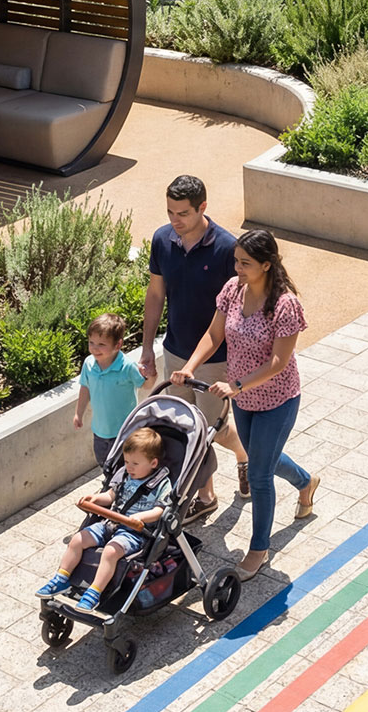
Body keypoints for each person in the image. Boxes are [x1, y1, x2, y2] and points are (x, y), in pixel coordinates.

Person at [173, 229, 318, 578]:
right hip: (243, 397)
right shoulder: (232, 290)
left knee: (259, 474)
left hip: (276, 398)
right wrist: (189, 366)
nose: (237, 267)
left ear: (266, 265)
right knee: (261, 458)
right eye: (236, 260)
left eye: (245, 263)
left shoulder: (285, 305)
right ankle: (306, 482)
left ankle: (258, 549)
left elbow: (278, 362)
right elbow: (213, 334)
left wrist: (236, 384)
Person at [141, 175, 250, 518]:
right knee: (186, 431)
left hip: (214, 360)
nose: (175, 221)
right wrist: (147, 348)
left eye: (183, 213)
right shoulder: (162, 240)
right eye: (171, 212)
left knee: (214, 431)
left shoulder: (226, 250)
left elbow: (239, 311)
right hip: (174, 352)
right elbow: (156, 294)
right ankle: (206, 496)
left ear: (203, 207)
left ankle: (245, 455)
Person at [35, 428, 176, 612]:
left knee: (110, 552)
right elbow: (110, 496)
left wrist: (139, 517)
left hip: (134, 532)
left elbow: (160, 511)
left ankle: (94, 592)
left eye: (135, 463)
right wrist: (95, 499)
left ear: (153, 463)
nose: (129, 467)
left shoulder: (161, 483)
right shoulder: (124, 474)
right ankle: (61, 578)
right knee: (78, 539)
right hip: (110, 523)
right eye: (126, 461)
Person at [75, 313, 145, 472]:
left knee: (123, 467)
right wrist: (78, 413)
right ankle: (109, 484)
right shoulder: (89, 363)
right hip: (100, 431)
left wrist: (150, 374)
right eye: (91, 342)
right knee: (104, 464)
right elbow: (85, 388)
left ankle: (118, 490)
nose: (94, 348)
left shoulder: (127, 366)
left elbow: (146, 385)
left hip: (124, 431)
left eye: (101, 344)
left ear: (118, 345)